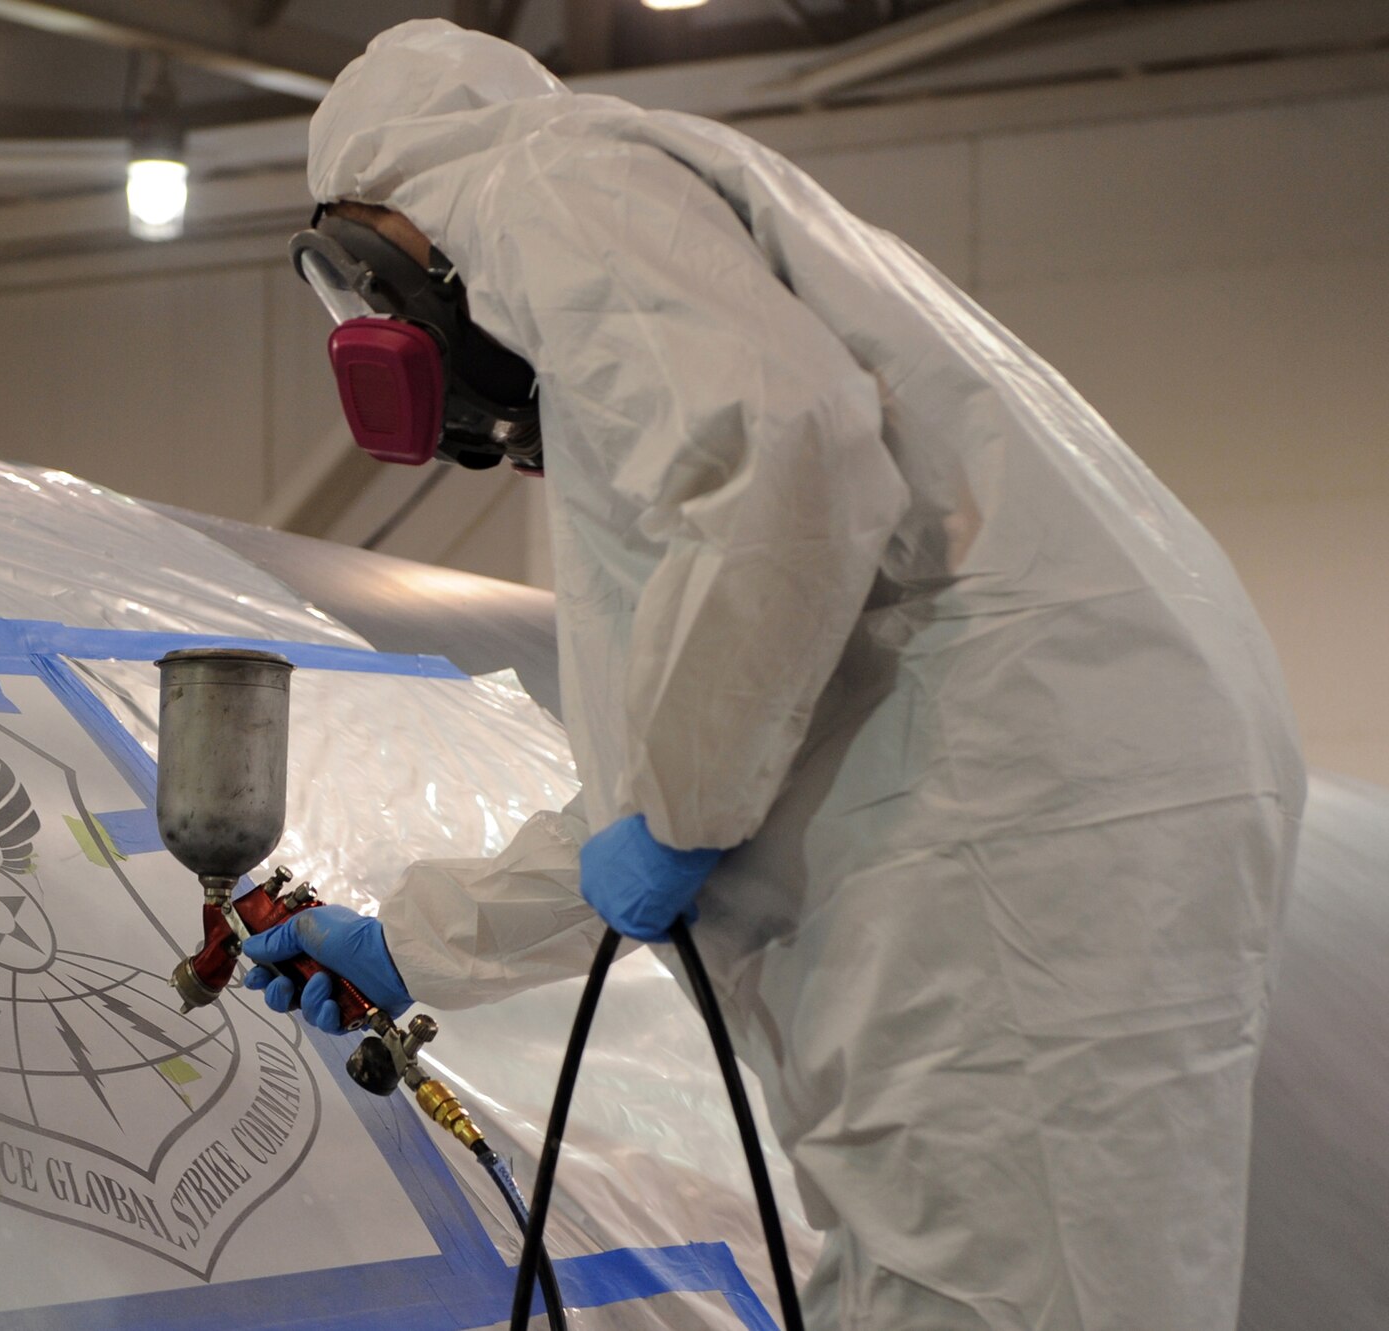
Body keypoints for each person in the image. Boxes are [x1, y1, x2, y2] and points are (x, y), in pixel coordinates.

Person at [240, 19, 1306, 1331]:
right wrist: (412, 942)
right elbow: (662, 792)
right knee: (1011, 1271)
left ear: (381, 229)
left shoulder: (533, 184)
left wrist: (679, 813)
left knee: (995, 1291)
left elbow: (782, 455)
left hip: (1002, 812)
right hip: (1066, 780)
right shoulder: (674, 296)